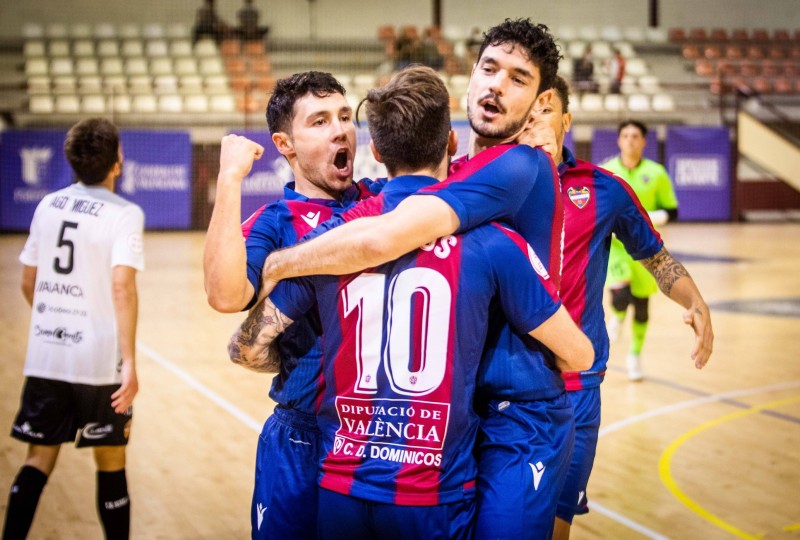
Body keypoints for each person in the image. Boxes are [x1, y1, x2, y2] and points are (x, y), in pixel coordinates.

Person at [229, 65, 593, 539]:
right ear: (451, 145)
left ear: (376, 152)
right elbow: (578, 355)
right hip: (433, 490)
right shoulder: (492, 240)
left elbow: (245, 346)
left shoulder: (325, 245)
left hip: (343, 480)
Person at [203, 71, 384, 539]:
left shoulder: (383, 202)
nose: (341, 129)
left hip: (380, 434)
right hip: (302, 433)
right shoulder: (275, 222)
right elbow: (225, 295)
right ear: (285, 144)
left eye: (345, 116)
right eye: (320, 121)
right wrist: (229, 178)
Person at [536, 78, 713, 539]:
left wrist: (695, 300)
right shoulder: (485, 183)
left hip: (578, 387)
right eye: (528, 110)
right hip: (507, 389)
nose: (536, 119)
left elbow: (656, 258)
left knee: (558, 522)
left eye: (547, 109)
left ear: (566, 121)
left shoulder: (604, 189)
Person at [3, 118, 143, 540]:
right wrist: (130, 361)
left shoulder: (47, 205)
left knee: (37, 459)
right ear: (117, 161)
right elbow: (122, 286)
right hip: (99, 362)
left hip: (48, 357)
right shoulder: (125, 213)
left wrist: (58, 320)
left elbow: (29, 282)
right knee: (111, 461)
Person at [601, 120, 680, 381]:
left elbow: (672, 211)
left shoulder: (656, 173)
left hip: (645, 249)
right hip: (616, 248)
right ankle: (617, 316)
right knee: (621, 295)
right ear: (618, 140)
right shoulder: (607, 171)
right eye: (625, 135)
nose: (630, 140)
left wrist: (648, 219)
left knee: (642, 307)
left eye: (636, 136)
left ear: (644, 141)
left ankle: (635, 356)